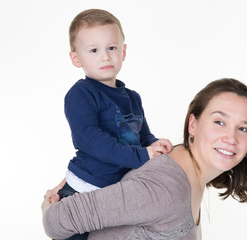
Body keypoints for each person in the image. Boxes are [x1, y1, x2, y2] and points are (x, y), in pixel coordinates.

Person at [42, 78, 247, 240]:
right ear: (193, 124)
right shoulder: (165, 187)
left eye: (244, 128)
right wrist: (49, 207)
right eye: (219, 122)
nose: (231, 137)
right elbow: (58, 219)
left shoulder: (190, 174)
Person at [57, 9, 172, 239]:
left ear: (124, 51)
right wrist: (141, 156)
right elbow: (88, 139)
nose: (105, 56)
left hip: (117, 195)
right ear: (76, 58)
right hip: (84, 190)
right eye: (94, 50)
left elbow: (143, 137)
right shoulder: (82, 94)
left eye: (111, 48)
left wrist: (156, 145)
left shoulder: (133, 97)